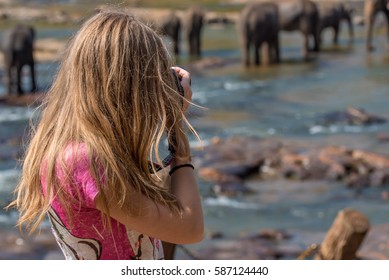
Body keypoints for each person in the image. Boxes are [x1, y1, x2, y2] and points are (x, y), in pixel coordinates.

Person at [8, 9, 204, 260]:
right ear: (127, 88)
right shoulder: (85, 161)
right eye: (153, 81)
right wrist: (177, 126)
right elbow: (190, 229)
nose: (159, 93)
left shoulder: (75, 148)